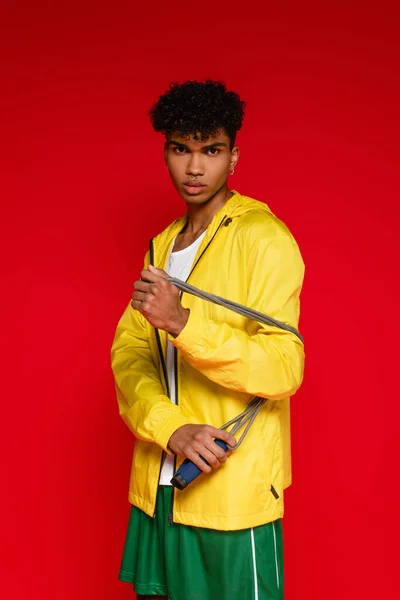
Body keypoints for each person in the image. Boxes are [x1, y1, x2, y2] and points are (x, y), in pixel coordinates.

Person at [111, 79, 305, 600]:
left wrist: (184, 324)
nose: (195, 168)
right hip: (161, 485)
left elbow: (286, 366)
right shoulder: (161, 245)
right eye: (181, 149)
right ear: (166, 152)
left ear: (233, 156)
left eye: (211, 150)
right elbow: (129, 355)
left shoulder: (263, 238)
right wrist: (171, 429)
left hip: (231, 494)